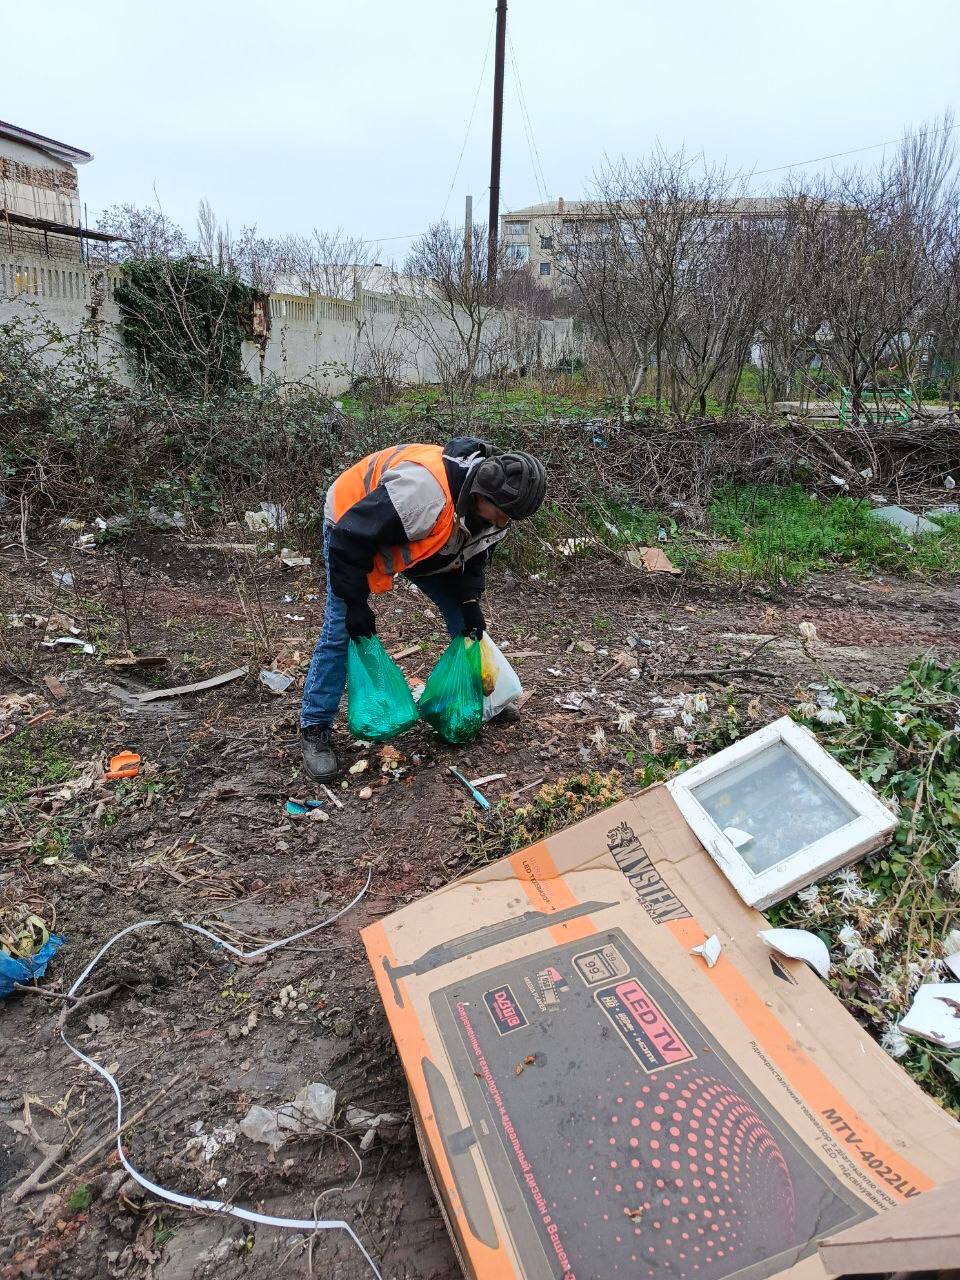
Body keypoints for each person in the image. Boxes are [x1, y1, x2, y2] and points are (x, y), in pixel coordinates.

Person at [300, 437, 547, 780]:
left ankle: (478, 699)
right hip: (352, 521)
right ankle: (314, 729)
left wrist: (470, 600)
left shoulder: (497, 515)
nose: (505, 523)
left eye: (511, 518)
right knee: (342, 628)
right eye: (503, 515)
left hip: (421, 536)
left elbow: (474, 555)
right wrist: (356, 604)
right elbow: (348, 538)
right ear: (482, 496)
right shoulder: (423, 494)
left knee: (465, 622)